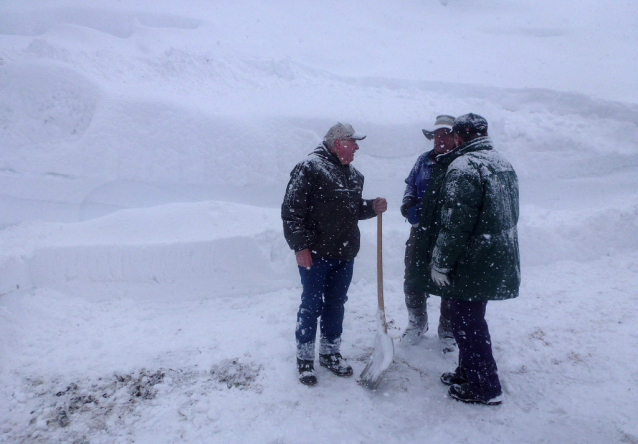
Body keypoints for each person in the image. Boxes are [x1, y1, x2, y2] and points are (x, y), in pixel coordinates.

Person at [411, 113, 520, 405]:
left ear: (459, 136)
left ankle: (485, 387)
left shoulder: (463, 166)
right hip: (492, 256)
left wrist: (441, 263)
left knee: (467, 323)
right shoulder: (500, 162)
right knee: (470, 319)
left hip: (472, 260)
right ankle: (467, 371)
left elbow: (455, 224)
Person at [282, 122, 387, 386]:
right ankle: (305, 359)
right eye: (353, 142)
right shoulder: (310, 168)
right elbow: (291, 211)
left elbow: (350, 210)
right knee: (311, 305)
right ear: (338, 142)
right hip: (315, 254)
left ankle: (329, 352)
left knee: (336, 304)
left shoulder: (354, 175)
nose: (357, 147)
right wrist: (300, 247)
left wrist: (371, 207)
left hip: (344, 253)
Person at [400, 115, 457, 350]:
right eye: (436, 135)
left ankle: (448, 330)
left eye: (445, 134)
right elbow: (410, 186)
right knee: (413, 275)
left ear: (455, 138)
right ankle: (417, 323)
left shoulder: (460, 162)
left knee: (449, 279)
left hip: (447, 232)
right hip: (420, 231)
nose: (439, 139)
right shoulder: (423, 160)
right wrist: (407, 206)